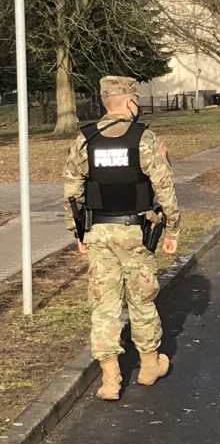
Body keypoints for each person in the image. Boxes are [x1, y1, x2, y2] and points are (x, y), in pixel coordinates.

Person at [64, 76, 180, 401]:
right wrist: (172, 230)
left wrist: (78, 233)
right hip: (135, 233)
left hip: (99, 233)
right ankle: (148, 366)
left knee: (104, 304)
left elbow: (71, 192)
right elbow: (165, 189)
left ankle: (110, 380)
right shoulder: (144, 139)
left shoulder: (84, 140)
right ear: (129, 101)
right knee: (141, 299)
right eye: (136, 98)